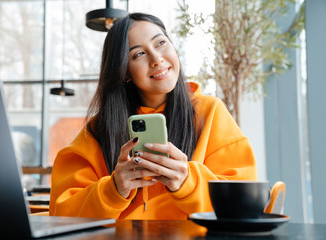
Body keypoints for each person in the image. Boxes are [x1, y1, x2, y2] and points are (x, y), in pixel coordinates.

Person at [49, 13, 257, 220]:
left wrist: (188, 183)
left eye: (160, 43)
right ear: (124, 72)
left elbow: (242, 202)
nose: (157, 59)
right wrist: (113, 189)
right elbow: (61, 214)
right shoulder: (98, 131)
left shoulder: (210, 113)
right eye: (138, 54)